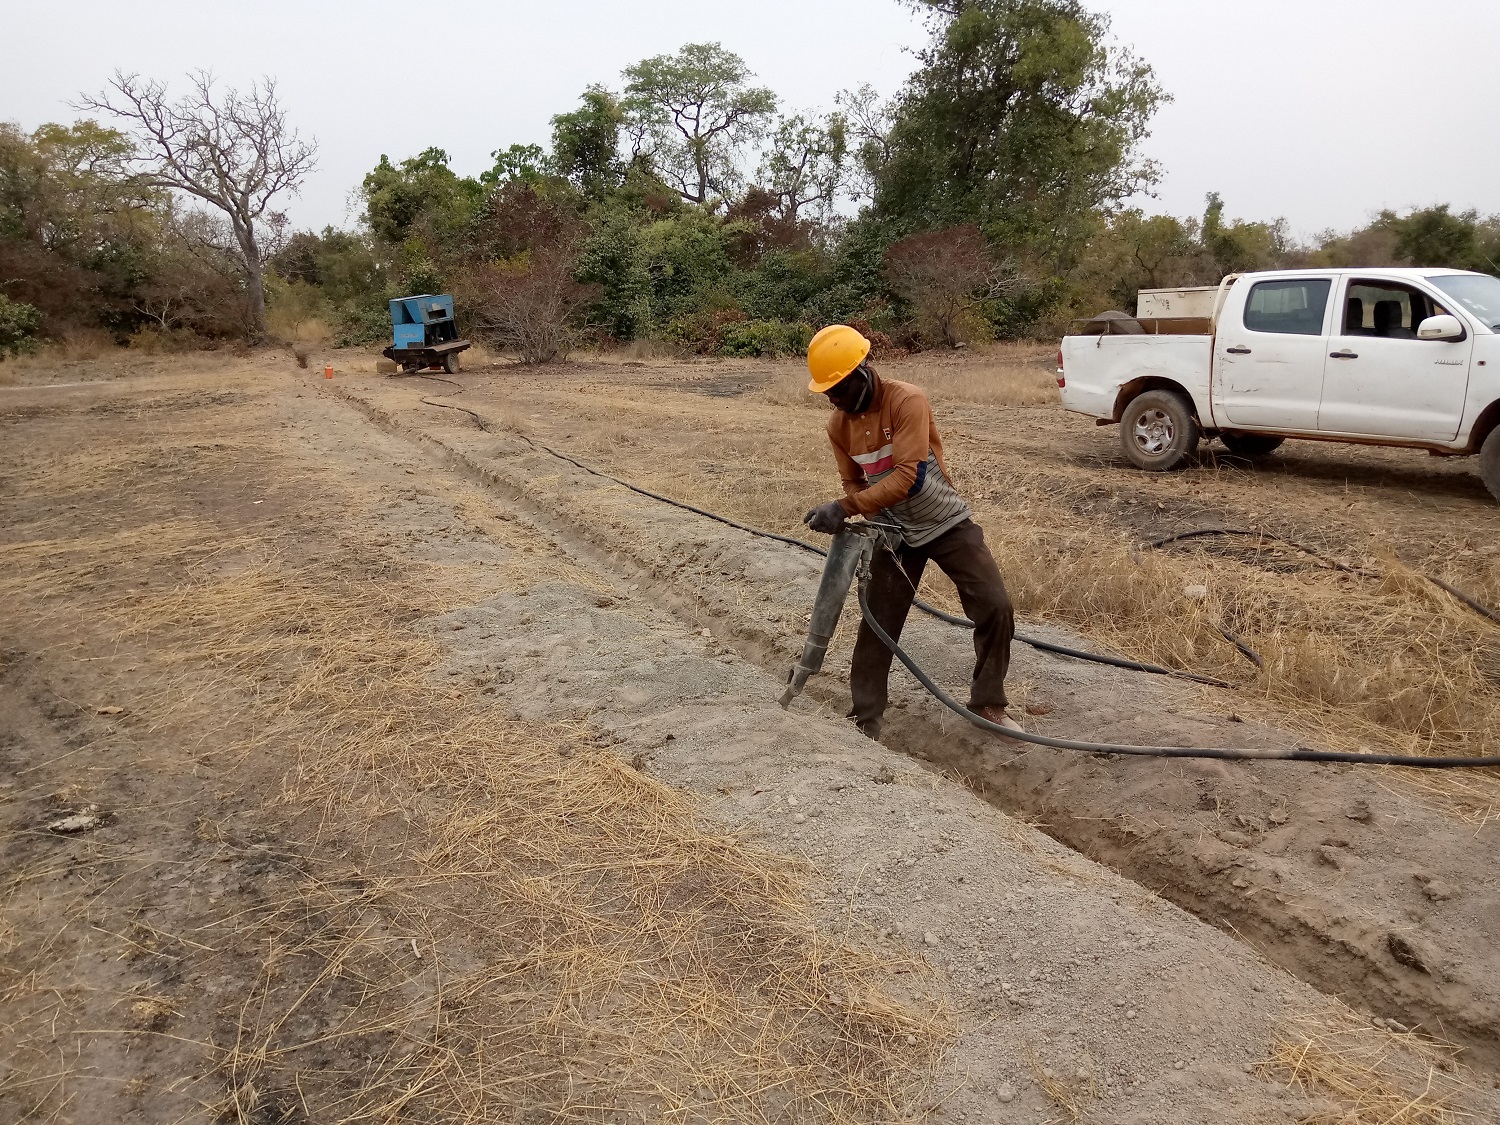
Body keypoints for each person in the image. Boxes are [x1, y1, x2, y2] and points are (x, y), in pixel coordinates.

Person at [801, 324, 1022, 741]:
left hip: (944, 520)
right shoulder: (838, 425)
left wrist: (845, 507)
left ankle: (988, 703)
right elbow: (852, 481)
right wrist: (855, 505)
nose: (834, 399)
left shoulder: (906, 400)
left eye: (839, 389)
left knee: (995, 605)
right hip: (893, 531)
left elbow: (907, 478)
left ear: (862, 372)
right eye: (827, 392)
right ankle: (865, 720)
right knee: (878, 622)